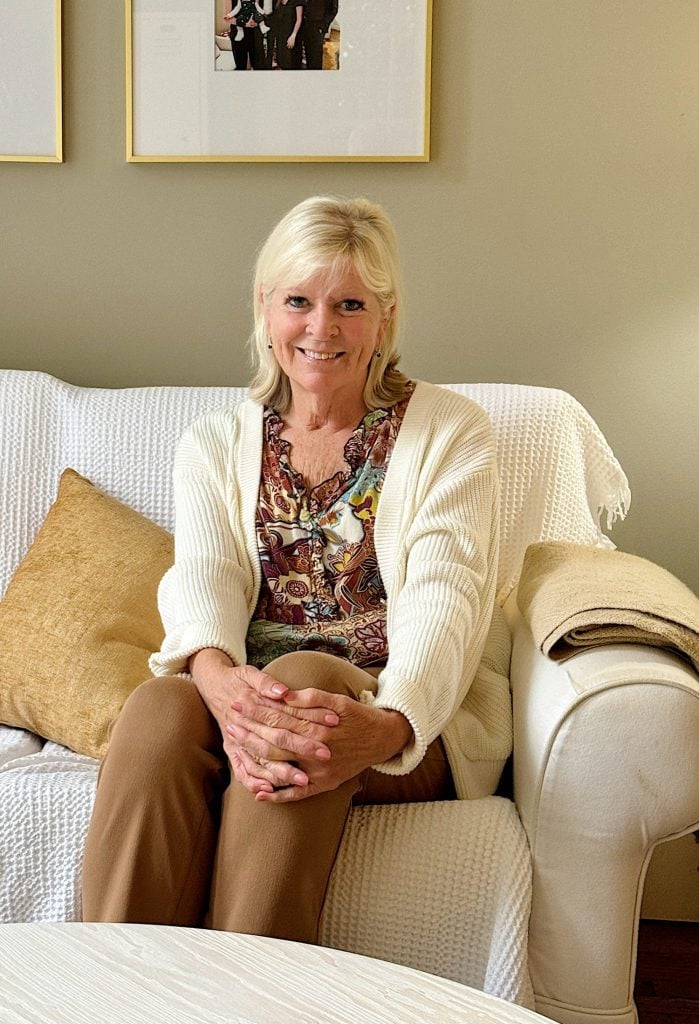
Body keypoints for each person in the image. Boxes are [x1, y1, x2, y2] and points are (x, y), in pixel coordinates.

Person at [81, 196, 503, 943]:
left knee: (307, 685)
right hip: (251, 697)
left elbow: (449, 594)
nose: (321, 328)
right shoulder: (213, 442)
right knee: (157, 706)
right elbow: (204, 573)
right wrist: (218, 683)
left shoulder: (452, 432)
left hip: (393, 717)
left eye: (349, 304)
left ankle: (258, 996)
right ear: (264, 306)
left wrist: (389, 724)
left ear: (386, 316)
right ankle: (117, 985)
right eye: (298, 302)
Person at [300, 0, 337, 69]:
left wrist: (323, 26)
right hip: (305, 25)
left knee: (316, 58)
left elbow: (334, 9)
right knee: (308, 55)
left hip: (317, 27)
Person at [269, 0, 304, 70]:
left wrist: (293, 35)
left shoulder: (297, 1)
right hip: (281, 37)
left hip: (292, 36)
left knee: (291, 62)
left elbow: (299, 19)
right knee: (282, 61)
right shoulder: (278, 2)